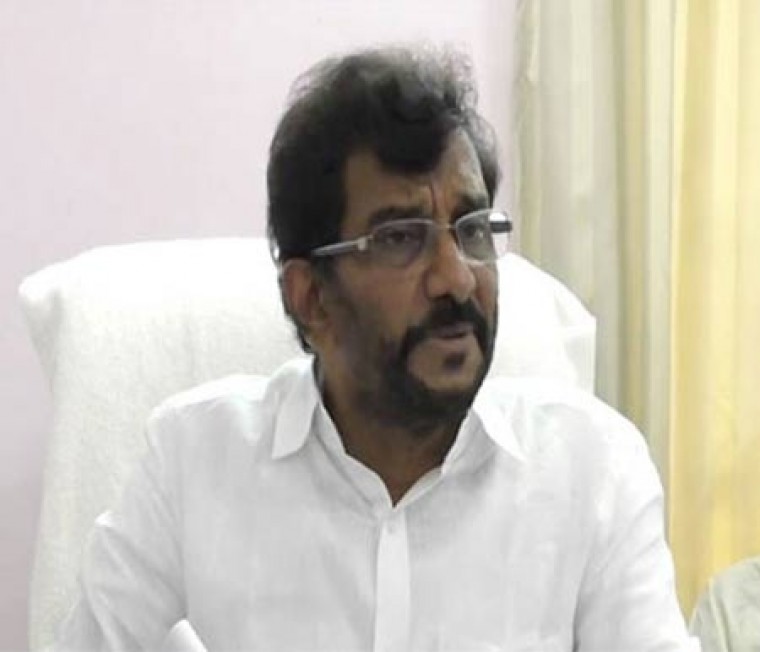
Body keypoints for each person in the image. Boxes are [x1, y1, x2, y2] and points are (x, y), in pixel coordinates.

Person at [53, 46, 697, 651]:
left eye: (473, 230)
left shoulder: (594, 473)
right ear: (311, 298)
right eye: (400, 239)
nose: (456, 278)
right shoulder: (196, 462)